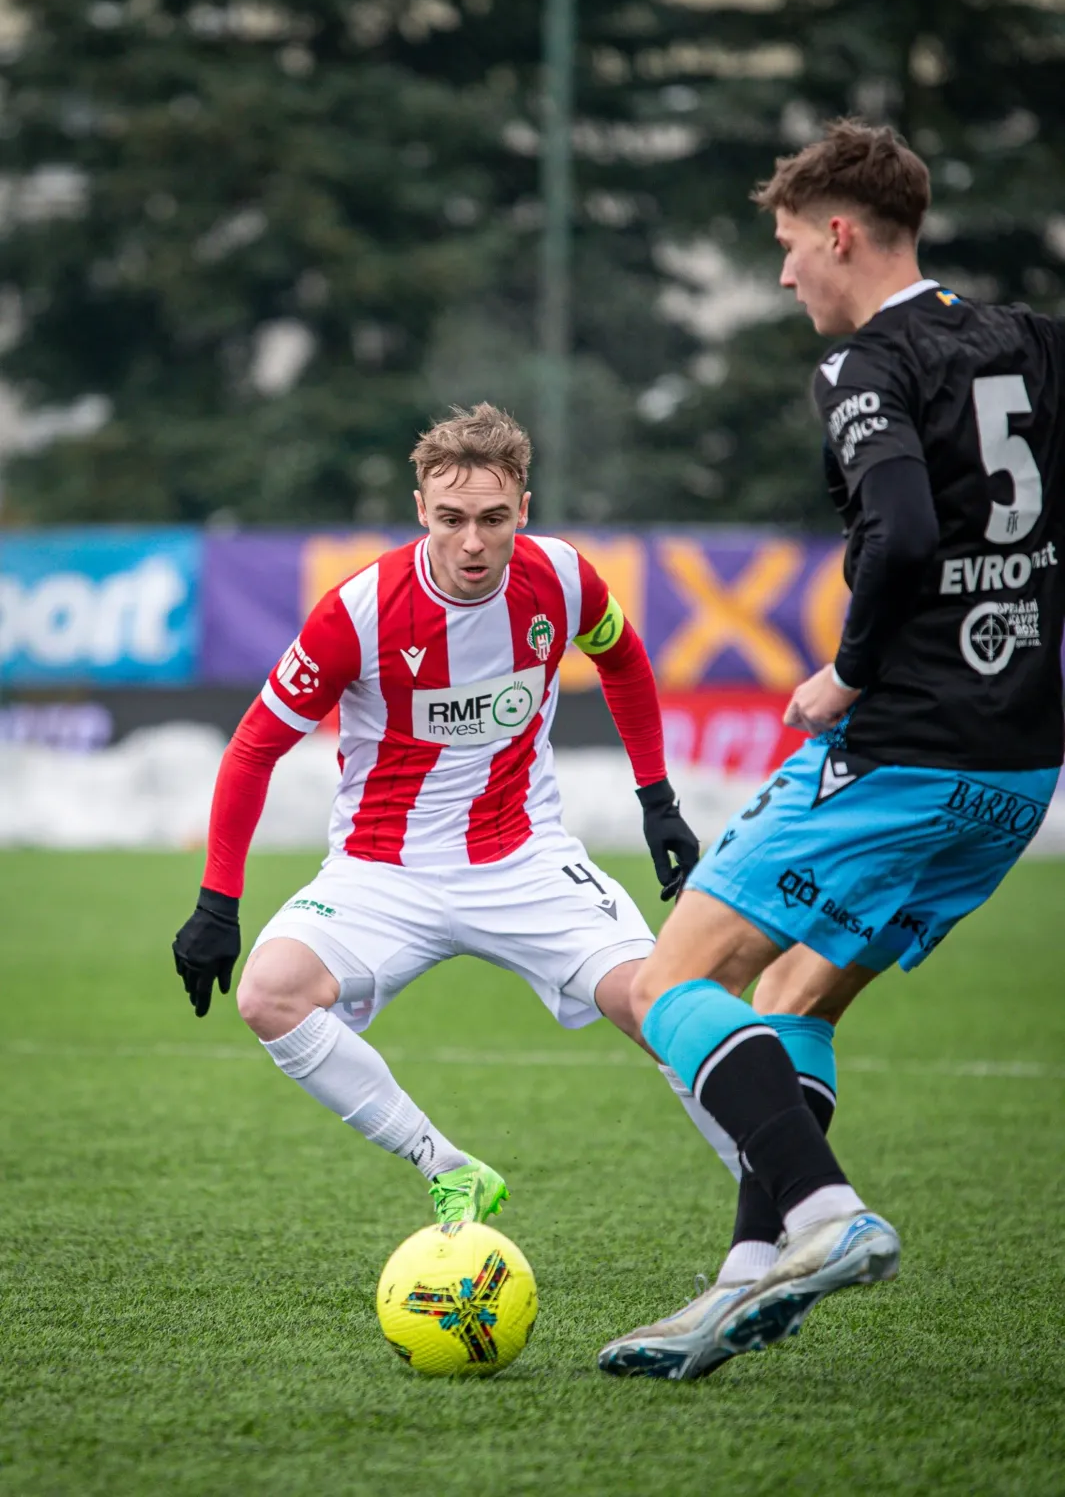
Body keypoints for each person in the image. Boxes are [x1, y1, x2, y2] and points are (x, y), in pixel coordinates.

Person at [599, 118, 1065, 1380]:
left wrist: (846, 673)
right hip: (1018, 769)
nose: (785, 270)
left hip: (903, 748)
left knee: (662, 985)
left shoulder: (866, 366)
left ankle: (825, 1213)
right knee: (793, 995)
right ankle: (749, 1271)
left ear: (842, 233)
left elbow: (903, 532)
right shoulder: (1030, 341)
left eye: (791, 243)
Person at [172, 404, 708, 1226]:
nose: (472, 542)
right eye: (451, 518)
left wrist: (657, 800)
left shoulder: (563, 577)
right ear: (420, 509)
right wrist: (218, 901)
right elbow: (252, 748)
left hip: (525, 858)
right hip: (382, 871)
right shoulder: (357, 612)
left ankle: (785, 1209)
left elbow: (624, 659)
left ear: (523, 510)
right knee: (268, 995)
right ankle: (447, 1166)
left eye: (493, 519)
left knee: (661, 1007)